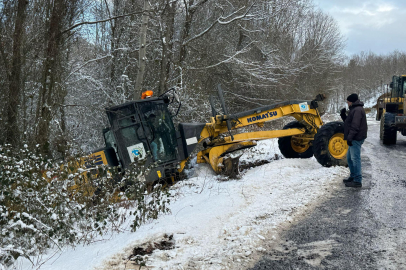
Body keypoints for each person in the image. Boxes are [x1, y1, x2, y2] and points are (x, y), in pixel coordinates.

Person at [340, 93, 368, 188]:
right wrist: (343, 115)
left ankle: (357, 180)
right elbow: (349, 123)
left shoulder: (357, 110)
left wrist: (350, 137)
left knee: (355, 159)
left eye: (348, 101)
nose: (347, 103)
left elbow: (355, 126)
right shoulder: (354, 109)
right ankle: (353, 176)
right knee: (349, 158)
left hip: (356, 138)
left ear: (351, 101)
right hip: (354, 137)